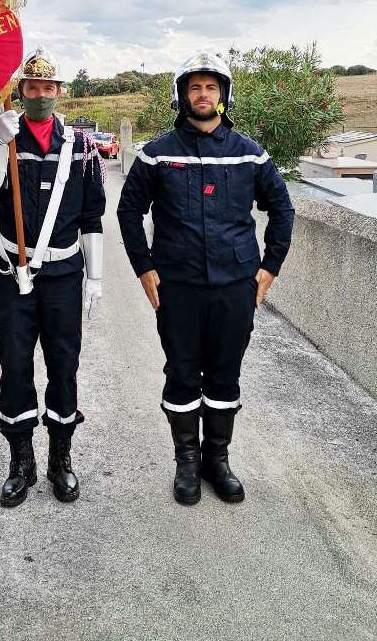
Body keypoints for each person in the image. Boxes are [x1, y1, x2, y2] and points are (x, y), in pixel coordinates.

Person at [117, 51, 294, 506]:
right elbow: (128, 210)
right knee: (182, 374)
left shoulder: (250, 155)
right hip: (178, 287)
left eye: (211, 87)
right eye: (194, 87)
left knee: (224, 374)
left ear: (223, 95)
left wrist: (268, 268)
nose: (202, 95)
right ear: (182, 95)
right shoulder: (157, 154)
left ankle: (218, 461)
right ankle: (188, 464)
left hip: (236, 287)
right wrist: (144, 267)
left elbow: (282, 210)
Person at [0, 47, 105, 507]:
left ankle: (60, 459)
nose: (41, 95)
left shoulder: (82, 147)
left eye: (49, 88)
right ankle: (21, 460)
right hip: (13, 275)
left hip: (65, 274)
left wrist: (96, 278)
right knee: (15, 364)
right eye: (33, 88)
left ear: (59, 92)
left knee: (64, 365)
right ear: (21, 92)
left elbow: (92, 215)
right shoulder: (5, 139)